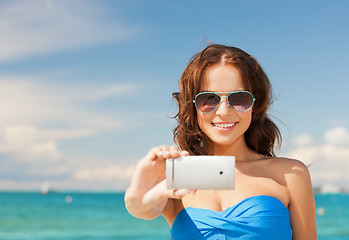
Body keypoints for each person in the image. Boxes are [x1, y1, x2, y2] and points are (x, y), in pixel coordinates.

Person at [124, 44, 317, 239]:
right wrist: (139, 187)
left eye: (239, 98)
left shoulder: (289, 174)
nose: (224, 112)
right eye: (209, 99)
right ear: (193, 107)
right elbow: (141, 208)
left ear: (254, 104)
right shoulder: (181, 174)